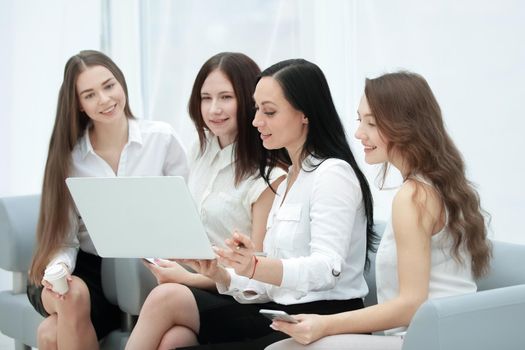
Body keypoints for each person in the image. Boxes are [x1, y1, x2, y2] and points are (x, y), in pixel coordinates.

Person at [125, 58, 377, 350]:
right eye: (256, 109)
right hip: (282, 314)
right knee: (174, 341)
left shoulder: (332, 174)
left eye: (269, 111)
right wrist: (220, 273)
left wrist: (256, 265)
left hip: (322, 319)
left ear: (305, 114)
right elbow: (269, 285)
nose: (256, 120)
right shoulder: (291, 178)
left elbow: (327, 269)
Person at [266, 71, 493, 350]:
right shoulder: (432, 186)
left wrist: (324, 324)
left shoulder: (414, 196)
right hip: (441, 335)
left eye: (371, 123)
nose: (359, 133)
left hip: (431, 340)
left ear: (404, 126)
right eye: (360, 121)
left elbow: (411, 305)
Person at [26, 50, 189, 350]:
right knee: (72, 296)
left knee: (51, 333)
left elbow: (187, 214)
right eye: (89, 94)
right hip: (84, 270)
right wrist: (59, 271)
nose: (104, 99)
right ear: (78, 104)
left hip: (145, 267)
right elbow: (64, 240)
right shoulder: (71, 158)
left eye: (109, 85)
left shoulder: (161, 139)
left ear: (121, 83)